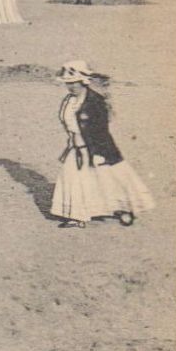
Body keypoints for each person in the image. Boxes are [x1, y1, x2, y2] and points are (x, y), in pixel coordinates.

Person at [51, 61, 155, 229]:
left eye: (73, 83)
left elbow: (101, 131)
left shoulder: (95, 102)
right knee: (73, 178)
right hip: (76, 148)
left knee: (109, 178)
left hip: (96, 148)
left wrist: (99, 153)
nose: (70, 87)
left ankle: (125, 209)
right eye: (67, 83)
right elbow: (70, 124)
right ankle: (77, 216)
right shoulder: (69, 100)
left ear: (84, 81)